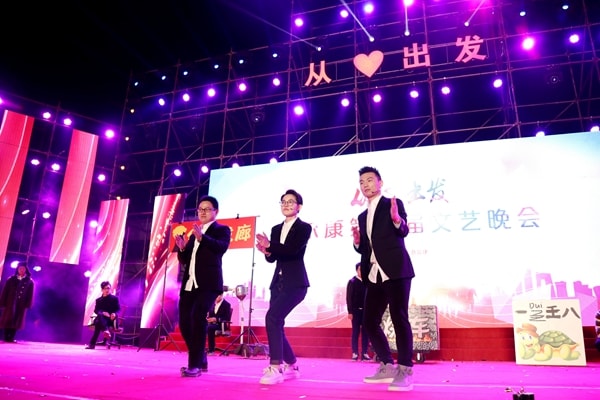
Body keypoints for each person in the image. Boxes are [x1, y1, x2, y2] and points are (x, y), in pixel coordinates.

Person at [351, 166, 415, 392]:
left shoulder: (392, 204)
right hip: (374, 274)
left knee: (399, 318)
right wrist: (357, 243)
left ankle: (405, 369)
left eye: (370, 180)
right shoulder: (361, 216)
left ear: (380, 182)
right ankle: (387, 365)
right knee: (369, 321)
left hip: (396, 270)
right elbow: (365, 248)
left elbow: (403, 230)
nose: (365, 185)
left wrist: (397, 220)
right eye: (361, 182)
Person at [255, 189, 311, 385]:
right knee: (276, 323)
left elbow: (293, 251)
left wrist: (271, 246)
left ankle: (276, 367)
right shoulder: (276, 229)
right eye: (283, 201)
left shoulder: (304, 228)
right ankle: (292, 366)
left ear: (299, 206)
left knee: (272, 318)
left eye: (291, 201)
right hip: (277, 283)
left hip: (296, 283)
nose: (286, 204)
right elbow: (274, 258)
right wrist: (267, 252)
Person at [175, 195, 231, 377]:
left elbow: (221, 248)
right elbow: (186, 260)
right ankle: (201, 357)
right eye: (200, 209)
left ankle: (195, 365)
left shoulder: (222, 230)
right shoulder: (194, 234)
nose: (203, 212)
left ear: (216, 211)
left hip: (208, 284)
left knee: (198, 317)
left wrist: (203, 238)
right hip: (190, 284)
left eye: (207, 209)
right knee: (184, 322)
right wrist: (182, 248)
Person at [0, 261, 34, 343]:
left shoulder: (29, 281)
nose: (21, 270)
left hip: (21, 303)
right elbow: (5, 291)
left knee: (17, 320)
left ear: (26, 270)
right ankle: (6, 337)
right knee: (8, 319)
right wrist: (3, 302)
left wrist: (28, 304)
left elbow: (30, 294)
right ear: (17, 270)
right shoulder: (11, 279)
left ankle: (11, 337)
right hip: (10, 302)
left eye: (23, 269)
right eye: (20, 269)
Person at [347, 262, 371, 361]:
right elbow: (349, 298)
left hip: (366, 311)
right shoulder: (352, 282)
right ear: (357, 270)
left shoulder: (368, 282)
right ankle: (355, 353)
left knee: (366, 332)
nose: (362, 271)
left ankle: (364, 353)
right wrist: (350, 312)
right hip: (355, 311)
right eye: (360, 269)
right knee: (355, 332)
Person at [86, 281, 120, 349]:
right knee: (100, 315)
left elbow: (118, 309)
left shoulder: (114, 299)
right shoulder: (98, 300)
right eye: (105, 288)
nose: (107, 290)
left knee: (98, 322)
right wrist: (103, 313)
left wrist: (114, 313)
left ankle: (92, 344)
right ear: (102, 289)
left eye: (108, 288)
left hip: (111, 320)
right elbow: (96, 310)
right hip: (102, 319)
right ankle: (106, 330)